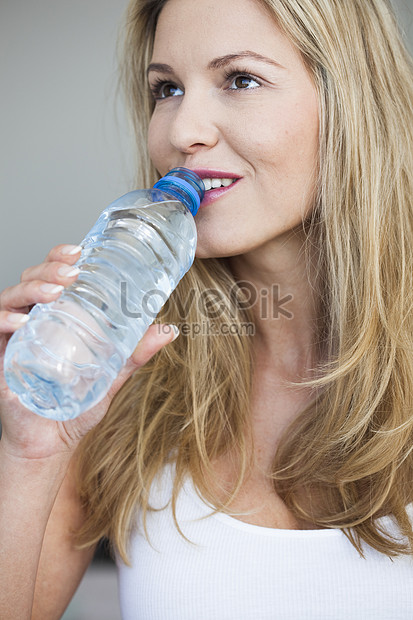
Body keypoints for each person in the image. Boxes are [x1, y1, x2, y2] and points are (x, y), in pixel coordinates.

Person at [1, 0, 413, 617]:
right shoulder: (121, 384)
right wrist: (30, 451)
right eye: (166, 88)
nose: (181, 130)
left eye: (239, 79)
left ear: (349, 100)